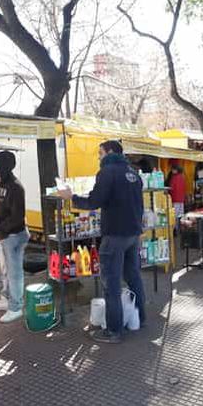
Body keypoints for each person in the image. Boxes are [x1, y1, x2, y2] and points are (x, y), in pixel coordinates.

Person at [57, 140, 146, 344]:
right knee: (133, 277)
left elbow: (94, 201)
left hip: (115, 235)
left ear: (109, 152)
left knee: (111, 284)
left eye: (100, 153)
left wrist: (72, 197)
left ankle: (113, 331)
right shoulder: (133, 173)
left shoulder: (107, 172)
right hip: (133, 233)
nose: (98, 157)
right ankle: (139, 318)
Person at [0, 151, 28, 324]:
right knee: (6, 271)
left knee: (15, 273)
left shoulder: (15, 187)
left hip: (14, 236)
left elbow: (17, 217)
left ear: (2, 165)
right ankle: (6, 299)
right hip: (3, 234)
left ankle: (16, 307)